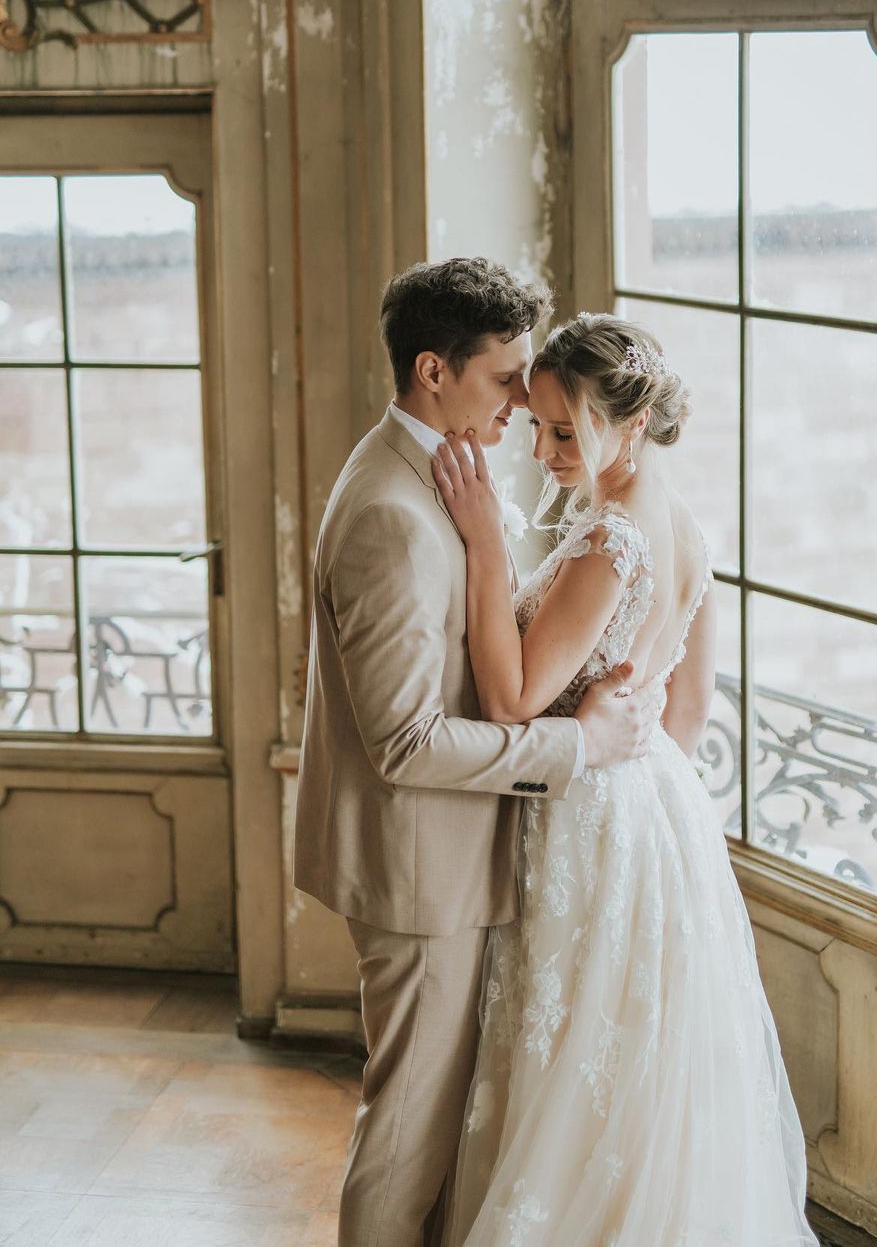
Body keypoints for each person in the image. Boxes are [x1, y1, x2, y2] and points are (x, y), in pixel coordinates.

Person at [432, 312, 817, 1246]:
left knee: (574, 1048)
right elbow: (687, 715)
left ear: (632, 423)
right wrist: (642, 789)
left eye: (568, 431)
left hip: (588, 812)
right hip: (659, 810)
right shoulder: (683, 528)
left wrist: (486, 544)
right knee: (637, 1054)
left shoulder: (614, 544)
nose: (547, 449)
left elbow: (516, 700)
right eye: (539, 426)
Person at [293, 261, 657, 1247]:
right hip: (422, 875)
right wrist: (574, 745)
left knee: (444, 1135)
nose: (518, 408)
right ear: (432, 370)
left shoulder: (433, 471)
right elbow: (407, 739)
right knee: (406, 1139)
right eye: (505, 381)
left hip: (453, 859)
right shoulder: (391, 515)